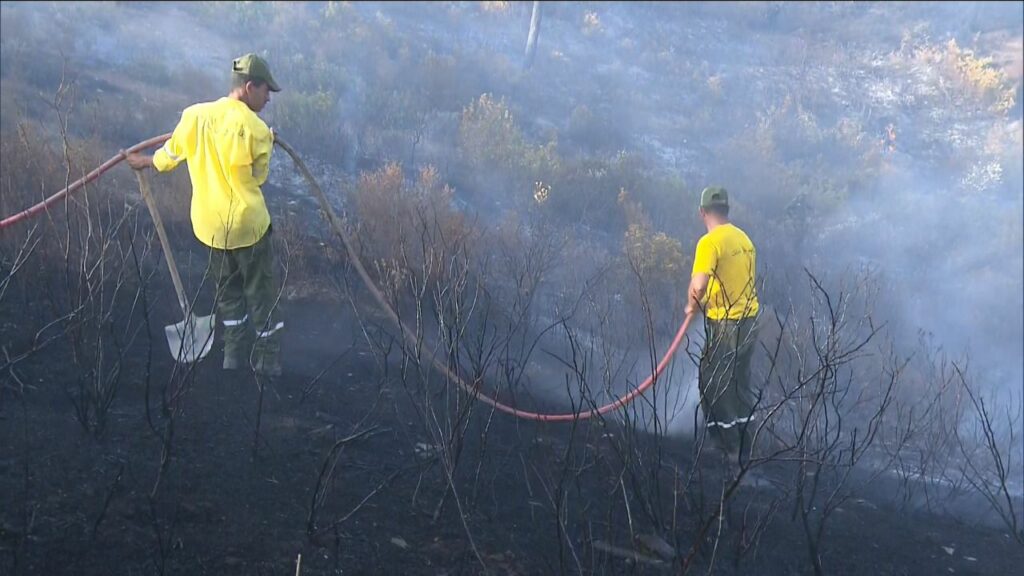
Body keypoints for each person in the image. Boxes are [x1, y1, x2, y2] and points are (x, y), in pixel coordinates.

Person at [126, 53, 284, 376]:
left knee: (228, 293)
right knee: (260, 293)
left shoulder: (194, 116)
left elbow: (169, 155)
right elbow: (258, 178)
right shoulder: (256, 129)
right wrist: (269, 142)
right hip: (249, 227)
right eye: (266, 90)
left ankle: (232, 357)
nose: (268, 98)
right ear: (249, 86)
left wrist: (145, 162)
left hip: (211, 228)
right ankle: (267, 361)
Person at [686, 187, 760, 464]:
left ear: (702, 212)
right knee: (740, 382)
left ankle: (725, 445)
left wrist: (691, 305)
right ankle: (747, 442)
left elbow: (700, 284)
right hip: (749, 321)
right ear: (727, 210)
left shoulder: (710, 242)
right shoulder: (744, 239)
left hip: (725, 323)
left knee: (714, 381)